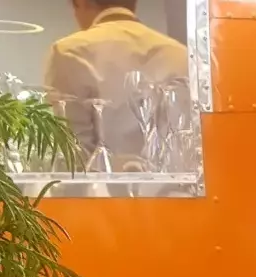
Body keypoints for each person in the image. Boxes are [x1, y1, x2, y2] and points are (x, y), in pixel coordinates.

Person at [45, 2, 187, 163]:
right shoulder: (181, 54)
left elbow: (74, 154)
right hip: (177, 178)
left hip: (102, 179)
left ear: (82, 2)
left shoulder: (68, 52)